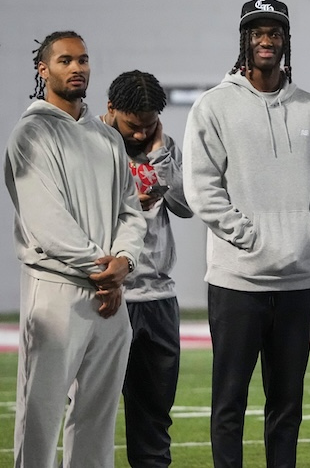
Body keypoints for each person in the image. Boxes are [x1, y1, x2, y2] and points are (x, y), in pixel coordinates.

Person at [183, 0, 310, 467]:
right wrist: (247, 236)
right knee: (229, 402)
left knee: (287, 405)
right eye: (258, 32)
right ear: (244, 41)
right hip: (237, 281)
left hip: (295, 281)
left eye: (275, 32)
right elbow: (201, 186)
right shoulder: (214, 106)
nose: (266, 40)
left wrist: (309, 233)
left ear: (286, 41)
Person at [4, 30, 146, 467]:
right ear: (43, 69)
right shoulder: (31, 134)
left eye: (83, 60)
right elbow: (47, 222)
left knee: (97, 419)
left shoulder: (106, 137)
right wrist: (104, 269)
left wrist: (125, 261)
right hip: (57, 291)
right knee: (40, 416)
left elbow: (130, 211)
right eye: (65, 60)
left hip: (111, 295)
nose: (78, 67)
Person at [102, 70, 193, 467]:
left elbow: (187, 206)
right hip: (107, 296)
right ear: (111, 110)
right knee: (91, 413)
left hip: (158, 299)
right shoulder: (90, 146)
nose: (140, 134)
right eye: (132, 126)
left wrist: (159, 156)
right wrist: (125, 204)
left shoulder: (163, 146)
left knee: (154, 418)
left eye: (149, 125)